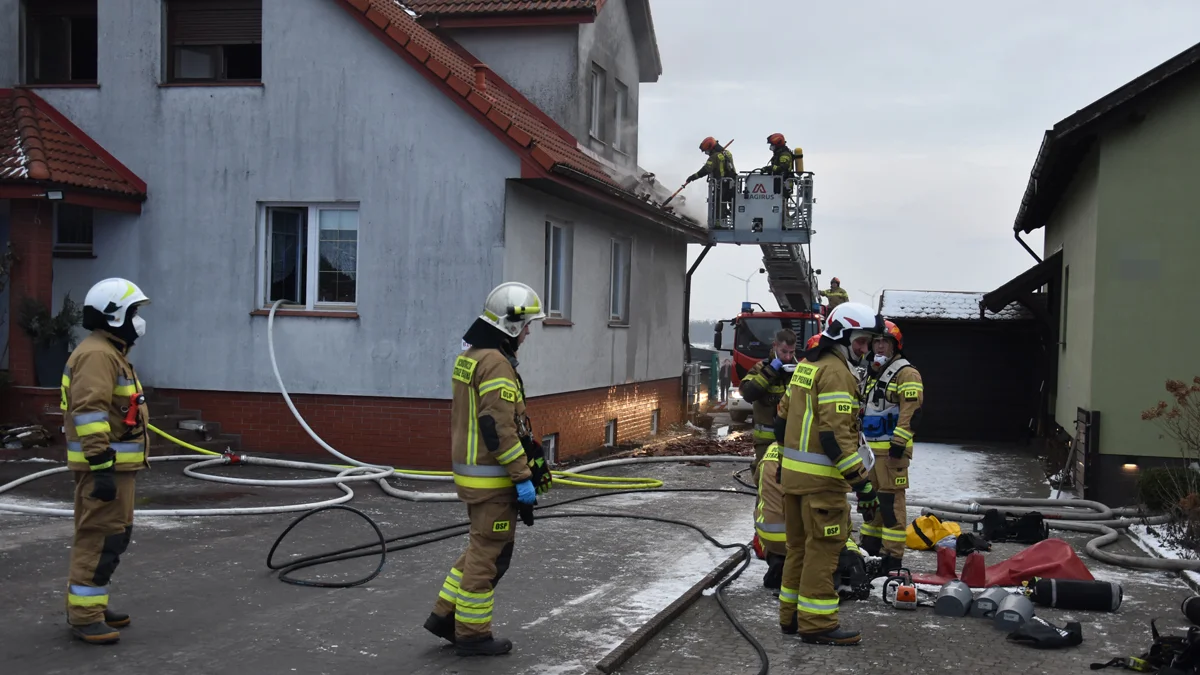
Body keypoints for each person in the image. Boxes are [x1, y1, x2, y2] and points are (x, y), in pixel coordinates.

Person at [424, 281, 554, 657]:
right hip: (493, 480)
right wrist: (522, 477)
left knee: (479, 549)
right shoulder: (496, 362)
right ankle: (472, 635)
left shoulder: (473, 356)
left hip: (476, 475)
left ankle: (445, 617)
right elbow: (498, 427)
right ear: (511, 324)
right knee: (490, 558)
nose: (528, 333)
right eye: (527, 325)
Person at [774, 302, 885, 646]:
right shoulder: (837, 373)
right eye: (861, 341)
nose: (865, 350)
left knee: (798, 550)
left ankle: (791, 617)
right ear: (841, 336)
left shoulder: (806, 367)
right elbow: (834, 438)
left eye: (868, 342)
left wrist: (789, 467)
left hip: (794, 482)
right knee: (823, 551)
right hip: (822, 486)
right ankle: (818, 623)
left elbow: (780, 423)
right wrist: (863, 485)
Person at [61, 277, 152, 645]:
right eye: (134, 312)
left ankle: (93, 605)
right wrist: (101, 466)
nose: (139, 320)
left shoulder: (110, 352)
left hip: (116, 468)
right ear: (114, 316)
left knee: (112, 536)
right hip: (105, 467)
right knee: (99, 538)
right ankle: (85, 615)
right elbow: (89, 413)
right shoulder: (98, 355)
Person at [857, 320, 924, 574]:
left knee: (891, 504)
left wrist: (898, 442)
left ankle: (892, 557)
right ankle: (871, 548)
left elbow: (912, 412)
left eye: (885, 341)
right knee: (871, 502)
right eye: (876, 341)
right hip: (870, 452)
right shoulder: (871, 373)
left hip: (892, 452)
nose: (880, 346)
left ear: (896, 345)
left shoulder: (906, 373)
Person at [738, 329, 798, 476]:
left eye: (791, 352)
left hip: (792, 440)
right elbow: (747, 393)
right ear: (775, 346)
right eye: (784, 351)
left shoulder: (799, 370)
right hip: (766, 442)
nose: (788, 357)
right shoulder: (760, 368)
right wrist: (770, 371)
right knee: (763, 477)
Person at [756, 442, 787, 590]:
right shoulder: (812, 449)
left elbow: (757, 480)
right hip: (797, 540)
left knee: (762, 502)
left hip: (767, 533)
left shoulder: (771, 449)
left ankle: (775, 557)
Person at [685, 136, 737, 222]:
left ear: (711, 148)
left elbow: (706, 170)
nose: (707, 153)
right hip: (732, 184)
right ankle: (730, 220)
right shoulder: (727, 153)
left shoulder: (714, 156)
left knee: (718, 205)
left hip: (721, 186)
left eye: (707, 151)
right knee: (733, 205)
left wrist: (692, 177)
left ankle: (719, 224)